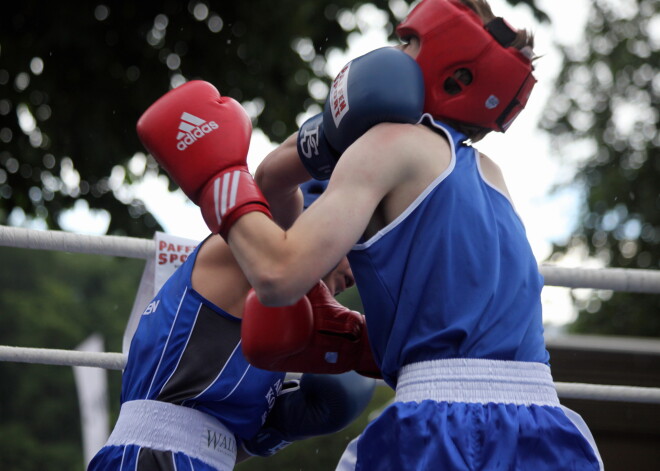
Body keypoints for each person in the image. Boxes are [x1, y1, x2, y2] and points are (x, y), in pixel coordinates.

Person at [135, 0, 604, 469]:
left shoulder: (390, 144)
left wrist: (219, 178)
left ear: (453, 65)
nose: (394, 52)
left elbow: (278, 274)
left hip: (438, 425)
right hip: (545, 427)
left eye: (407, 41)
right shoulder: (492, 177)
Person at [87, 179, 377, 471]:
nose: (356, 274)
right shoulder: (247, 254)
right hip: (155, 457)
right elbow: (275, 183)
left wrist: (274, 430)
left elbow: (214, 441)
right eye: (351, 243)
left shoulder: (281, 328)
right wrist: (321, 142)